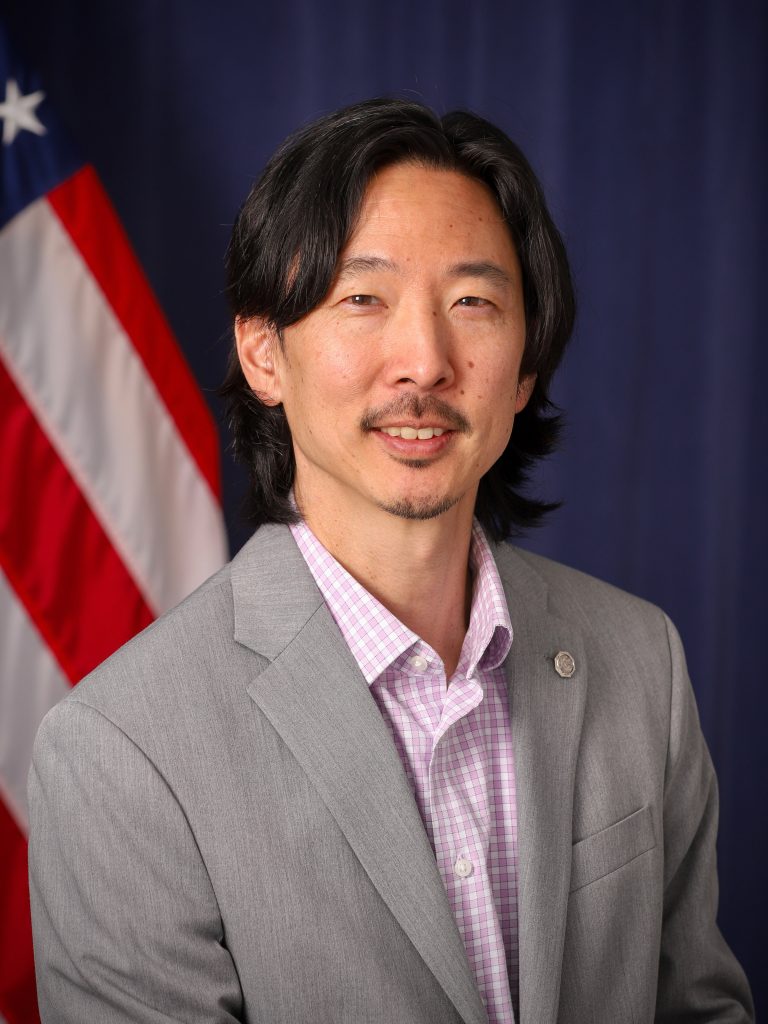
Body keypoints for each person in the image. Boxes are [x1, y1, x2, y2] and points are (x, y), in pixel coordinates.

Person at [28, 98, 753, 1024]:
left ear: (526, 368)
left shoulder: (639, 659)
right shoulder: (120, 752)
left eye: (473, 303)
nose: (424, 361)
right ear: (263, 351)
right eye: (363, 297)